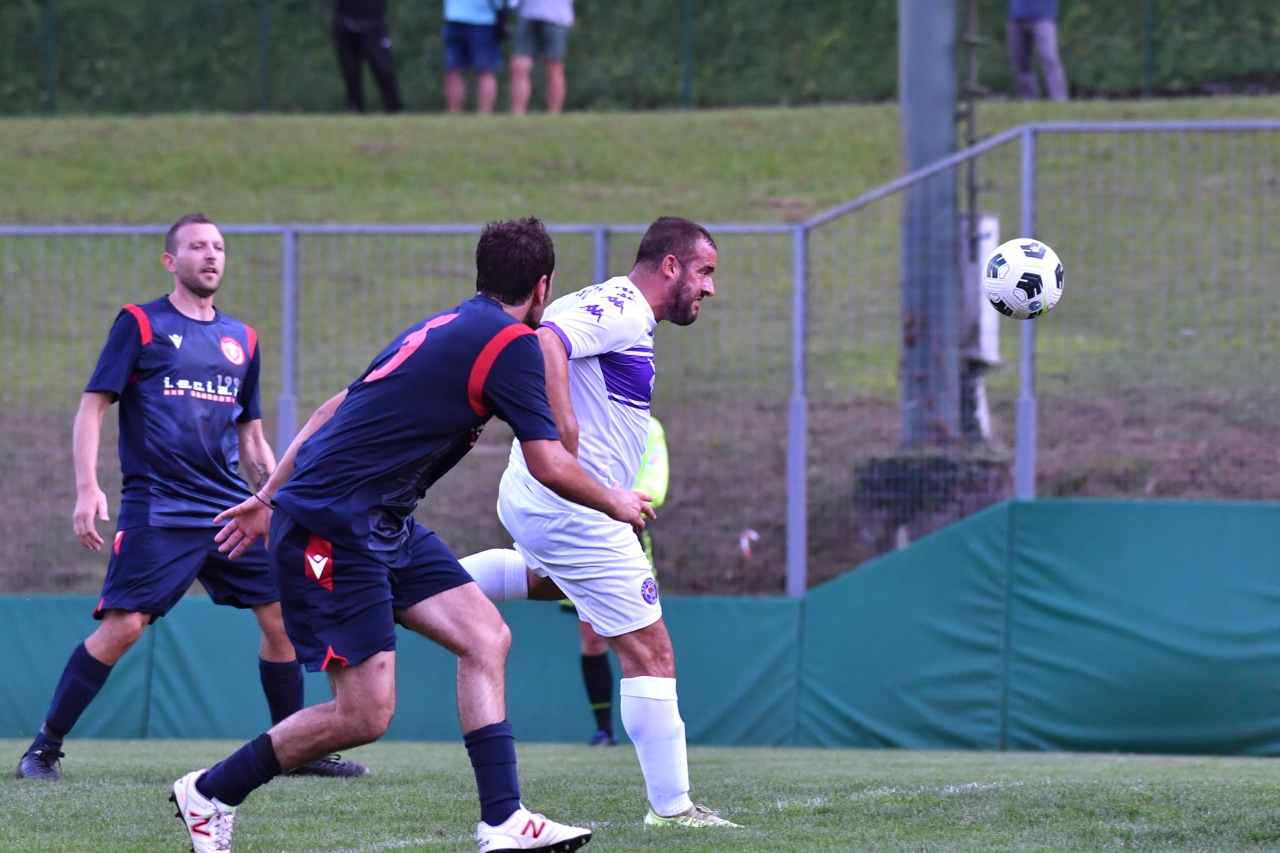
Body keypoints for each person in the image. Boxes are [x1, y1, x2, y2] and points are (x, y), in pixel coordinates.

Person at [171, 217, 652, 853]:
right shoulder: (510, 344)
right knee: (364, 714)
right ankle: (210, 793)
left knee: (485, 636)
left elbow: (332, 409)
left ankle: (504, 821)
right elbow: (550, 463)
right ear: (543, 286)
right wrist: (615, 499)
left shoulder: (447, 325)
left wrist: (266, 496)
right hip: (331, 528)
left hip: (381, 522)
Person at [14, 214, 367, 782]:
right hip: (160, 509)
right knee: (125, 626)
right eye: (197, 247)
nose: (211, 255)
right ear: (170, 261)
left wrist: (278, 500)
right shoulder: (140, 323)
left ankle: (295, 751)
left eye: (219, 247)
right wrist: (86, 487)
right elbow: (92, 407)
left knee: (281, 619)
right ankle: (43, 748)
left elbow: (251, 436)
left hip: (230, 510)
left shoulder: (243, 339)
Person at [461, 217, 740, 828]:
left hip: (542, 499)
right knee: (651, 651)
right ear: (671, 266)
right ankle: (673, 810)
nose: (710, 288)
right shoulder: (622, 307)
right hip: (572, 509)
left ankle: (411, 586)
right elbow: (546, 340)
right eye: (705, 271)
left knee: (548, 580)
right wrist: (565, 431)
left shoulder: (616, 308)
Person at [567, 416, 667, 747]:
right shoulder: (579, 419)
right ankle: (604, 729)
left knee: (641, 639)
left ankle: (652, 733)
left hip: (627, 531)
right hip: (579, 532)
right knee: (592, 640)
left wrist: (618, 499)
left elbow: (656, 485)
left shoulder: (650, 427)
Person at [334, 0, 405, 113]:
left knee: (384, 69)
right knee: (350, 71)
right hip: (346, 23)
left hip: (373, 25)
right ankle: (355, 109)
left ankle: (395, 110)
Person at [510, 0, 575, 115]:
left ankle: (554, 114)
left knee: (553, 66)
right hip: (528, 15)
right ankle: (517, 114)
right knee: (519, 65)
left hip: (557, 17)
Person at [444, 0, 505, 114]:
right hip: (455, 18)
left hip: (483, 22)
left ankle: (484, 114)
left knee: (485, 71)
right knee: (453, 71)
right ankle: (453, 113)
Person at [1007, 0, 1068, 102]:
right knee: (1020, 63)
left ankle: (1059, 98)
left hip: (1043, 16)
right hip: (1017, 16)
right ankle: (1026, 99)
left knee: (1049, 57)